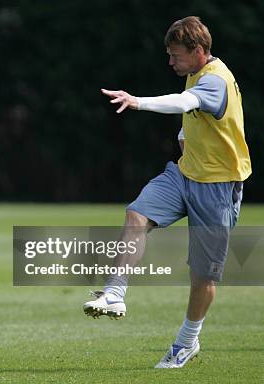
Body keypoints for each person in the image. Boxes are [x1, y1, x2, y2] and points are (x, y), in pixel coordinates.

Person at [83, 16, 251, 368]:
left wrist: (137, 101)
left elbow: (182, 102)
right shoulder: (196, 72)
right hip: (184, 173)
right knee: (136, 213)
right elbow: (193, 113)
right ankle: (115, 291)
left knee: (202, 277)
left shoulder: (216, 80)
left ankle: (187, 342)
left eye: (176, 56)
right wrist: (185, 137)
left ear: (199, 51)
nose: (170, 62)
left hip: (218, 187)